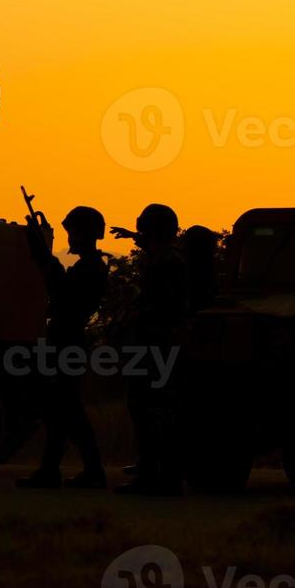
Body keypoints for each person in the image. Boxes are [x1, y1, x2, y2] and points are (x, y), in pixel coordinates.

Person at [18, 206, 110, 490]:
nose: (70, 238)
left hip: (68, 339)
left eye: (73, 232)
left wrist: (45, 257)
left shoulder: (91, 268)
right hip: (66, 338)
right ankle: (53, 470)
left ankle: (90, 470)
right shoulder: (90, 266)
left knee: (66, 409)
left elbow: (64, 294)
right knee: (59, 409)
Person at [111, 204, 190, 496]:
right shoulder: (169, 258)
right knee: (157, 411)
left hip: (153, 345)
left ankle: (155, 476)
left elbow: (160, 305)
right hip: (158, 345)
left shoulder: (166, 262)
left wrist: (134, 314)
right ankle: (163, 476)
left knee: (149, 411)